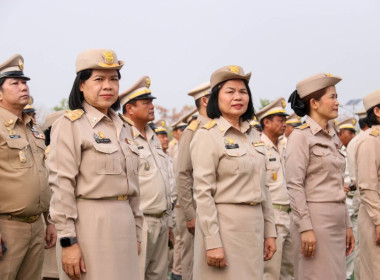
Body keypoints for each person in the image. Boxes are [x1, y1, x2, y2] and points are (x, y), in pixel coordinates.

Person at [49, 49, 143, 280]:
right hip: (90, 224)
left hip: (125, 225)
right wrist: (68, 241)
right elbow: (61, 185)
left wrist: (138, 231)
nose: (108, 86)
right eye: (99, 79)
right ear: (81, 85)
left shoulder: (124, 126)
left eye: (113, 79)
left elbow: (134, 186)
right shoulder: (71, 125)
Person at [190, 65, 276, 279]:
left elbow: (263, 186)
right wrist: (212, 242)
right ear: (215, 98)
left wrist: (270, 232)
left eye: (243, 92)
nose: (238, 97)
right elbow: (203, 193)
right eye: (230, 91)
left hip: (254, 226)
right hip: (225, 227)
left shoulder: (253, 135)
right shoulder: (207, 136)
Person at [286, 72, 354, 279]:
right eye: (332, 97)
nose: (337, 102)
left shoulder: (333, 136)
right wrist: (306, 228)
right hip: (315, 220)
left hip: (337, 218)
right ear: (314, 103)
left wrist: (348, 225)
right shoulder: (301, 137)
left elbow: (337, 182)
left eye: (336, 96)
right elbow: (294, 185)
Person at [0, 54, 56, 280]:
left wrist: (48, 220)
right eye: (15, 83)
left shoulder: (33, 127)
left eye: (24, 82)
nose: (23, 87)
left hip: (36, 226)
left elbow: (42, 176)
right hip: (7, 227)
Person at [119, 75, 173, 280]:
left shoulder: (153, 137)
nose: (152, 106)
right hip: (139, 223)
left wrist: (167, 223)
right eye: (146, 103)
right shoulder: (123, 137)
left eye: (152, 102)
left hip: (161, 220)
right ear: (130, 108)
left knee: (158, 275)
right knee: (136, 274)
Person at [256, 98, 294, 280]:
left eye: (284, 120)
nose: (284, 125)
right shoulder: (259, 148)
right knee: (270, 272)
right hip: (272, 216)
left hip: (289, 214)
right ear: (267, 122)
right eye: (280, 120)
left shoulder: (285, 147)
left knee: (289, 271)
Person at [176, 81, 211, 280]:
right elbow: (183, 174)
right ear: (205, 101)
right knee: (195, 264)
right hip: (198, 210)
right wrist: (190, 214)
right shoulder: (193, 131)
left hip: (216, 211)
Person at [355, 89, 380, 280]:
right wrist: (378, 221)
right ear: (377, 112)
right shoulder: (371, 140)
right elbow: (368, 186)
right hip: (375, 217)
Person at [154, 120, 181, 280]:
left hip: (168, 211)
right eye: (161, 136)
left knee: (164, 260)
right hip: (153, 212)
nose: (165, 139)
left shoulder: (167, 158)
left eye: (166, 135)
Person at [346, 110, 369, 280]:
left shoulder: (357, 142)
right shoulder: (364, 142)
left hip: (359, 201)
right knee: (362, 251)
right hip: (362, 203)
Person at [336, 118, 357, 280]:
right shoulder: (338, 151)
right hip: (339, 205)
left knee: (351, 247)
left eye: (353, 132)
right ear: (340, 134)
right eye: (349, 133)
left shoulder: (355, 150)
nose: (352, 136)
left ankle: (347, 275)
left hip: (353, 205)